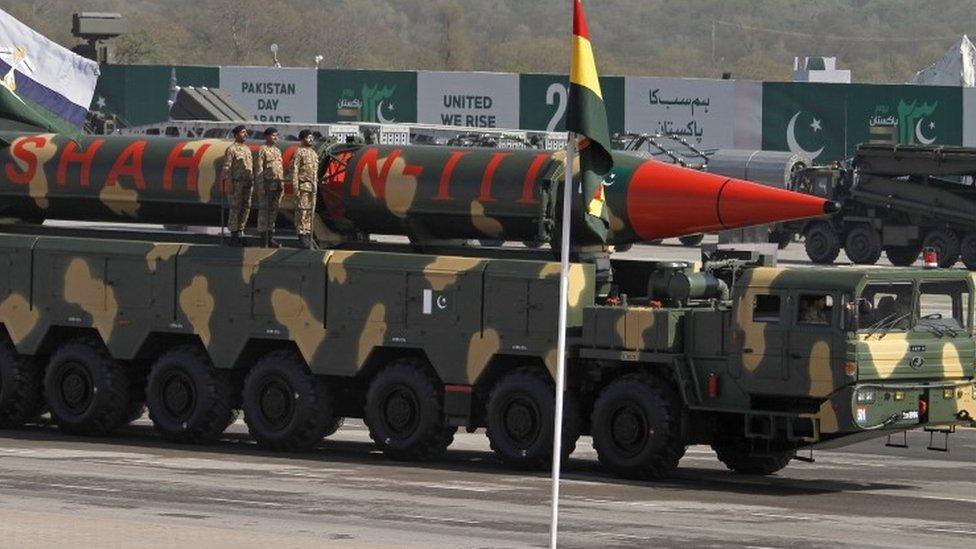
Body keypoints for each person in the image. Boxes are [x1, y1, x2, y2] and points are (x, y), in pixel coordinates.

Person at [219, 125, 254, 247]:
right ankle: (234, 235)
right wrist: (229, 183)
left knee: (246, 208)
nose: (245, 134)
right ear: (236, 134)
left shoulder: (247, 149)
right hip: (236, 183)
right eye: (243, 132)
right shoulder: (232, 149)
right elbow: (227, 167)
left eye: (246, 132)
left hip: (247, 184)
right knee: (235, 208)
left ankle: (240, 232)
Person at [255, 127, 284, 248]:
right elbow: (259, 169)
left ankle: (270, 237)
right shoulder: (263, 150)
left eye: (277, 135)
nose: (276, 137)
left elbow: (279, 168)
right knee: (264, 212)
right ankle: (263, 239)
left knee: (273, 212)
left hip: (277, 186)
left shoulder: (277, 151)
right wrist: (261, 186)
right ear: (267, 137)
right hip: (267, 186)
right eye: (273, 135)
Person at [292, 129, 320, 250]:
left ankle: (308, 234)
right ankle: (302, 234)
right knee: (302, 211)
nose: (311, 139)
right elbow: (294, 170)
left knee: (310, 212)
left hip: (312, 187)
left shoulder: (313, 153)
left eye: (312, 137)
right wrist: (295, 187)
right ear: (302, 139)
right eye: (309, 137)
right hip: (303, 186)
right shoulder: (299, 153)